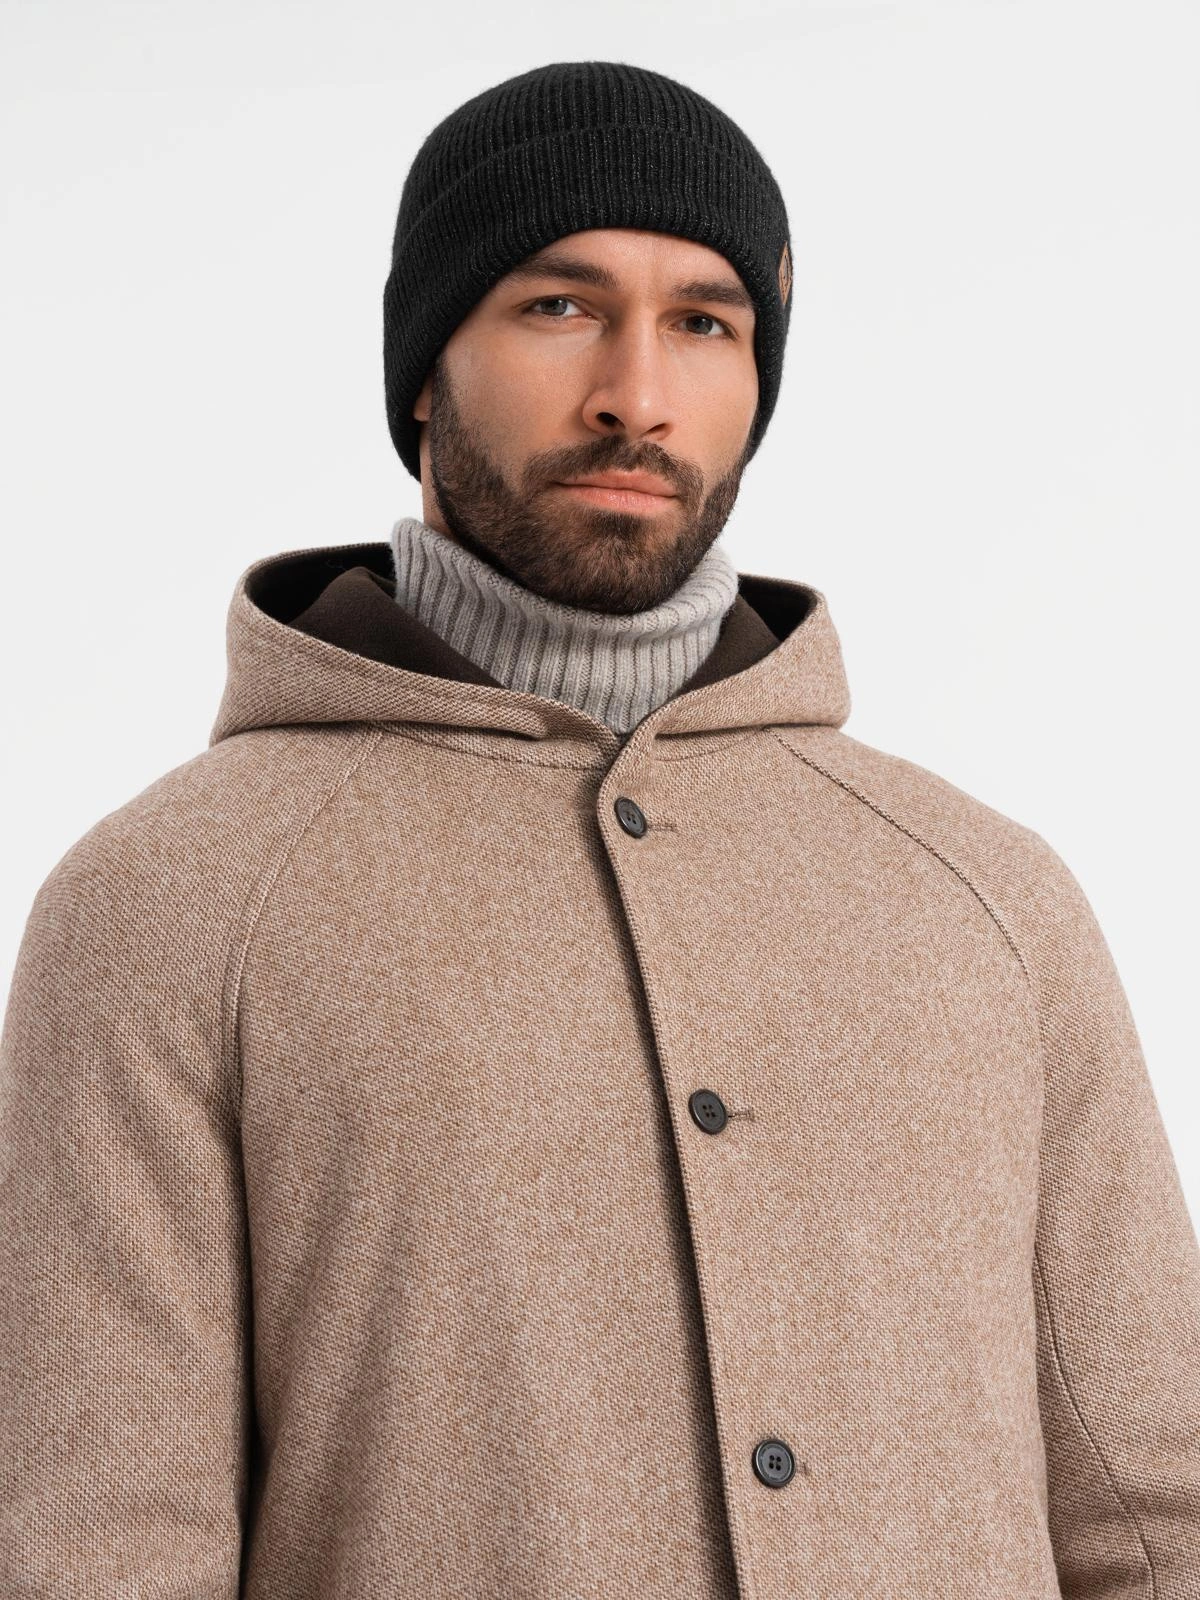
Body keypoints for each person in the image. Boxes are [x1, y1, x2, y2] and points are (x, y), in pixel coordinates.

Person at [1, 57, 1197, 1600]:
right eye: (559, 305)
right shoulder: (170, 903)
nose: (637, 394)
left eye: (704, 323)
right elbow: (95, 1552)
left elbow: (1158, 1519)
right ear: (422, 369)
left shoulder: (991, 898)